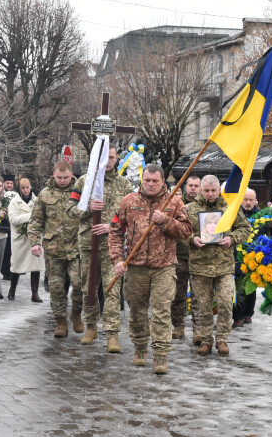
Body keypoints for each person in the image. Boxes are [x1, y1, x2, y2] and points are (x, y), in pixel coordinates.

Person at [109, 164, 193, 374]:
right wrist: (118, 259)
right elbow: (115, 231)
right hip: (136, 267)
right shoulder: (129, 202)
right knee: (136, 310)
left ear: (163, 182)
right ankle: (139, 347)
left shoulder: (174, 201)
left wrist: (166, 221)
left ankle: (161, 354)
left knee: (161, 310)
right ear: (142, 180)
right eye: (147, 180)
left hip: (164, 266)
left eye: (155, 181)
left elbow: (186, 231)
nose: (150, 184)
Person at [67, 144, 132, 352]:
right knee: (89, 287)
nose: (109, 161)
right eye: (105, 158)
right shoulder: (85, 182)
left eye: (112, 157)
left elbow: (132, 215)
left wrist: (112, 226)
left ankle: (112, 334)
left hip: (113, 246)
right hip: (89, 243)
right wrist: (87, 208)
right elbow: (70, 209)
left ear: (117, 159)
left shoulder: (124, 184)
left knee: (112, 289)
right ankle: (91, 326)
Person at [187, 175, 250, 357]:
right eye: (206, 190)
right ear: (200, 189)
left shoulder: (229, 208)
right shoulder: (190, 209)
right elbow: (181, 231)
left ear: (219, 190)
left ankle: (222, 339)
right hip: (200, 266)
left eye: (213, 190)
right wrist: (192, 240)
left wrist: (232, 239)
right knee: (204, 307)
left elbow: (245, 228)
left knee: (225, 302)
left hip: (224, 266)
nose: (210, 194)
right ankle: (206, 340)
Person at [28, 161, 83, 338]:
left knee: (79, 283)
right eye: (59, 177)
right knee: (56, 287)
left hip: (76, 247)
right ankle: (60, 322)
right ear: (53, 175)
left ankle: (76, 313)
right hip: (53, 249)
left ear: (71, 174)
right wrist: (35, 242)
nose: (62, 180)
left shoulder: (80, 192)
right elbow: (36, 221)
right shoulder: (44, 194)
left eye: (66, 177)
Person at [172, 175, 201, 343]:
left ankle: (198, 329)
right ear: (185, 187)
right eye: (190, 185)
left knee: (198, 296)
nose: (193, 189)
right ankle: (178, 326)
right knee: (178, 294)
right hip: (180, 256)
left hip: (199, 257)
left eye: (196, 186)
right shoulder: (177, 205)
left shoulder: (206, 206)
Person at [8, 177, 45, 302]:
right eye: (23, 188)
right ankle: (12, 290)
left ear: (31, 187)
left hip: (34, 237)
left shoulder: (37, 200)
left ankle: (35, 293)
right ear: (19, 189)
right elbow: (13, 219)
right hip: (20, 238)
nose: (26, 190)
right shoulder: (14, 202)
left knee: (35, 265)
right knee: (17, 265)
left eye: (27, 187)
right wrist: (30, 216)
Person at [233, 188, 260, 328]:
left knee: (251, 288)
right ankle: (238, 316)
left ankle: (248, 314)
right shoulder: (235, 213)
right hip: (237, 256)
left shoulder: (261, 216)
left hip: (255, 258)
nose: (248, 203)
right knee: (239, 287)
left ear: (256, 201)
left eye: (251, 200)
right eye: (246, 199)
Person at [0, 174, 16, 281]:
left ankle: (13, 270)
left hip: (13, 226)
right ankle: (5, 271)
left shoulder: (15, 195)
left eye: (11, 183)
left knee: (13, 250)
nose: (9, 185)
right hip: (3, 226)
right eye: (7, 183)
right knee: (4, 251)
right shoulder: (0, 195)